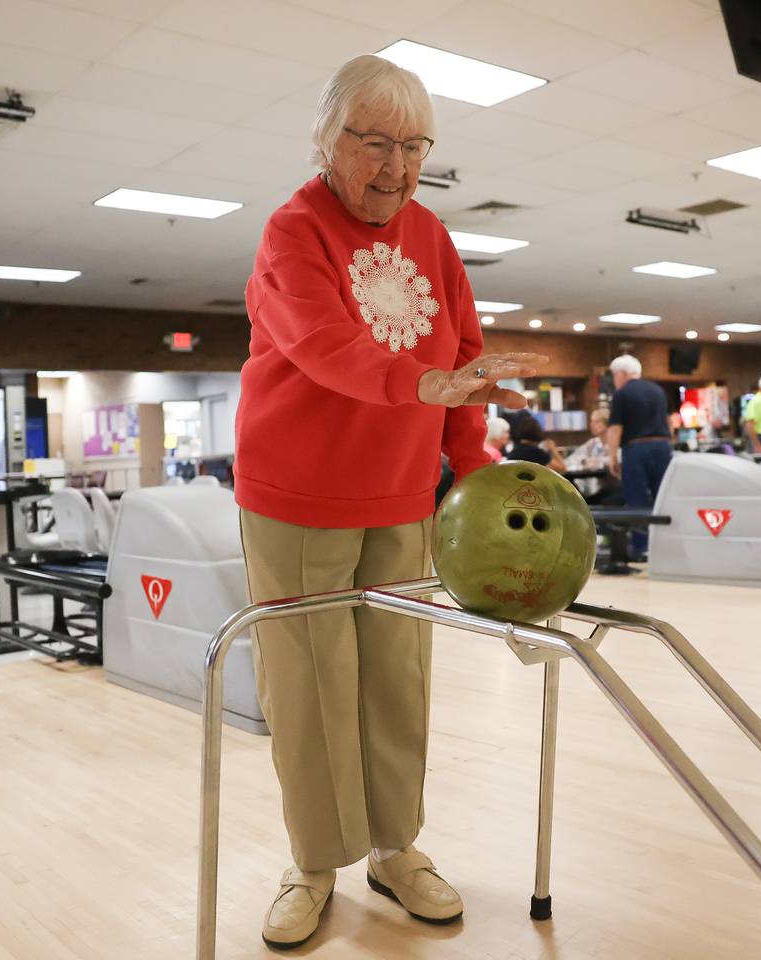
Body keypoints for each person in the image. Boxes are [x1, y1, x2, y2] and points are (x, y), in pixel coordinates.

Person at [234, 54, 545, 949]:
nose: (398, 167)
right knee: (310, 682)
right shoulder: (294, 232)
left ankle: (394, 848)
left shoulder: (433, 236)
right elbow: (326, 345)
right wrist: (429, 388)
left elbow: (466, 354)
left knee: (397, 677)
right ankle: (314, 861)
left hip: (400, 495)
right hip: (296, 494)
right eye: (376, 144)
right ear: (328, 141)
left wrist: (471, 464)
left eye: (416, 147)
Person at [604, 354, 670, 559]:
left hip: (636, 448)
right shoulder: (658, 390)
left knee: (636, 498)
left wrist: (612, 457)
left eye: (614, 375)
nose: (614, 380)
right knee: (663, 497)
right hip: (663, 447)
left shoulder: (622, 393)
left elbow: (615, 429)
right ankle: (666, 543)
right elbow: (670, 422)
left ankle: (642, 547)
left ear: (621, 374)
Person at [569, 408, 617, 500]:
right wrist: (584, 461)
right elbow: (572, 460)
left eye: (596, 422)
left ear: (607, 423)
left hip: (612, 489)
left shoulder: (615, 443)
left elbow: (618, 460)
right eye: (591, 421)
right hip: (592, 489)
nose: (592, 425)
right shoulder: (592, 443)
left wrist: (596, 462)